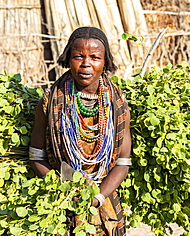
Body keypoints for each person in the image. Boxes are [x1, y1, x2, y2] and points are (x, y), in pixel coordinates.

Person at [29, 26, 131, 235]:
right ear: (67, 59)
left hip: (105, 202)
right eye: (78, 56)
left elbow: (123, 162)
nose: (86, 64)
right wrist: (64, 190)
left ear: (105, 62)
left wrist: (97, 197)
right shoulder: (49, 103)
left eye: (94, 57)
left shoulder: (117, 105)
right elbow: (36, 156)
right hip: (60, 201)